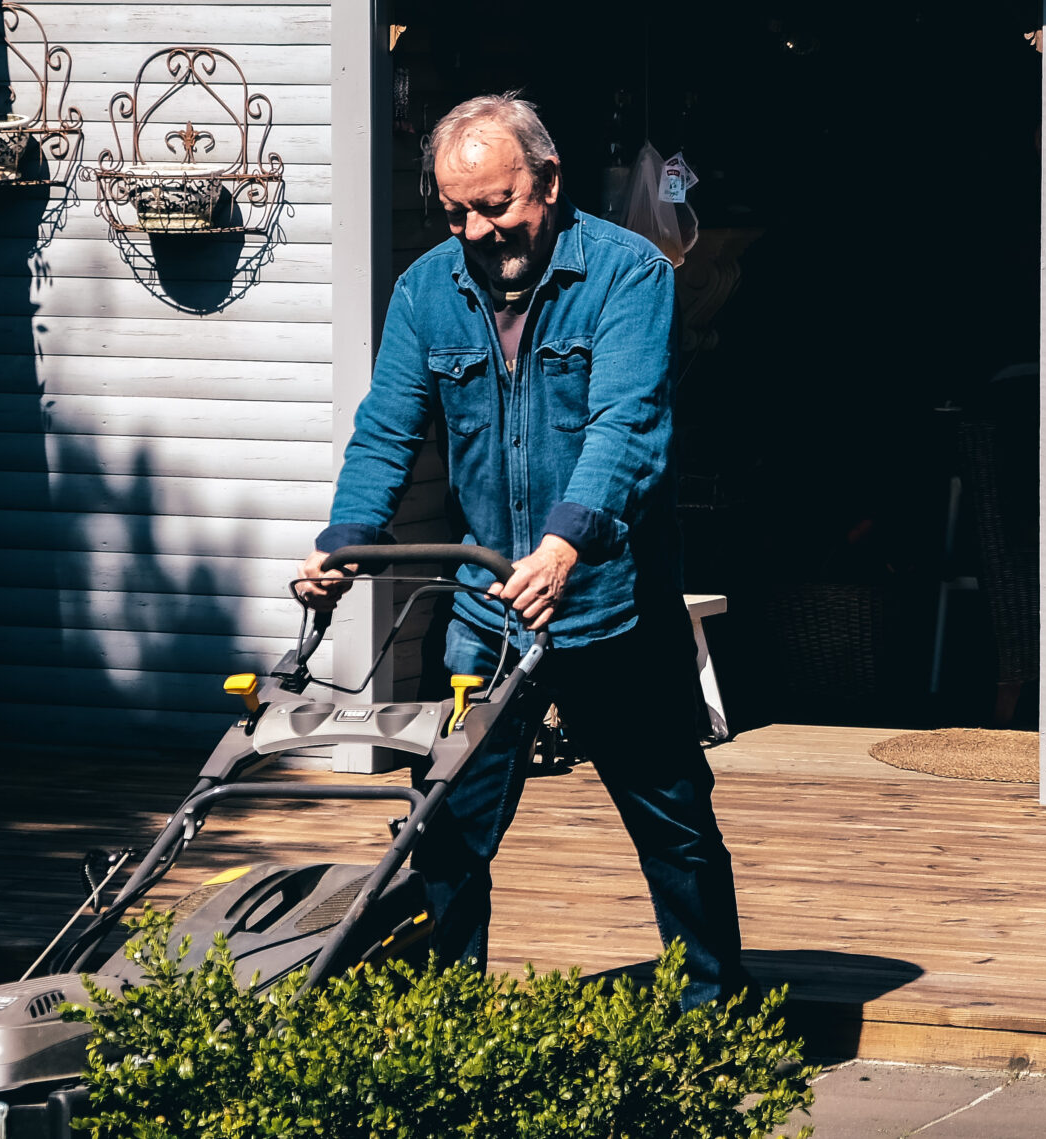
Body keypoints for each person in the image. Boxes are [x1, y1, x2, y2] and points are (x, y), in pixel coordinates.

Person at [293, 92, 748, 1009]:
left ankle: (717, 1012)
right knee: (446, 824)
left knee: (672, 819)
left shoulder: (628, 275)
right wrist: (344, 540)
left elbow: (628, 427)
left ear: (549, 179)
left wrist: (565, 543)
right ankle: (449, 1019)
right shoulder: (426, 290)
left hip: (612, 603)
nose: (477, 230)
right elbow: (387, 431)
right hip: (485, 613)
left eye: (496, 205)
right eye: (455, 212)